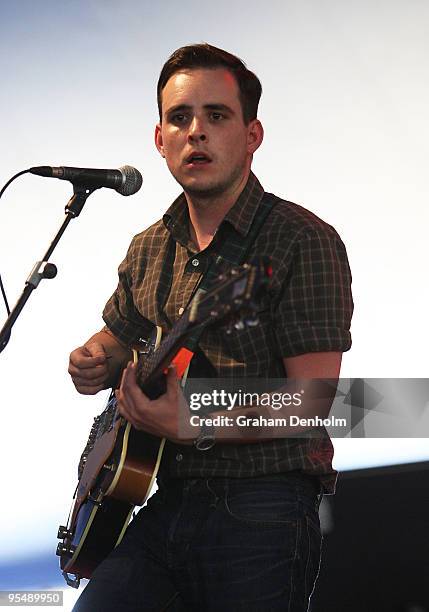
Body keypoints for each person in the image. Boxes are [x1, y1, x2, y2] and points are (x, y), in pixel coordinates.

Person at [69, 43, 353, 612]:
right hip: (165, 497)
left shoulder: (301, 240)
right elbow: (119, 334)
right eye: (180, 118)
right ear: (160, 140)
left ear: (252, 135)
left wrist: (191, 419)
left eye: (216, 116)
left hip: (264, 504)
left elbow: (313, 401)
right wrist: (97, 356)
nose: (196, 132)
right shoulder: (150, 245)